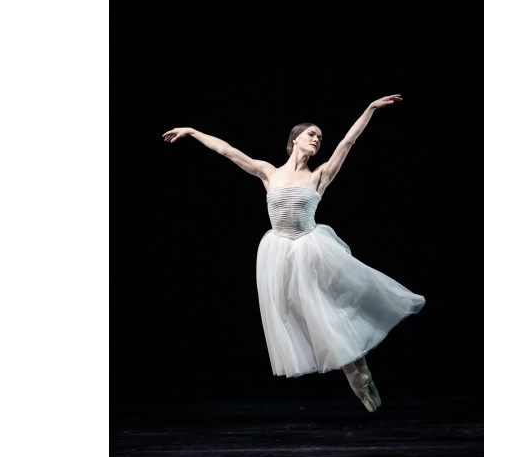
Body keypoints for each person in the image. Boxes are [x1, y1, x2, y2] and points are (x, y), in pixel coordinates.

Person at [162, 94, 424, 412]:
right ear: (295, 139)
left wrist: (370, 109)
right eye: (312, 134)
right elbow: (227, 150)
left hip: (311, 247)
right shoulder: (269, 172)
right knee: (310, 315)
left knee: (330, 309)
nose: (317, 140)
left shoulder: (318, 175)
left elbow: (348, 142)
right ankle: (355, 373)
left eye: (320, 138)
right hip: (280, 251)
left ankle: (358, 372)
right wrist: (192, 131)